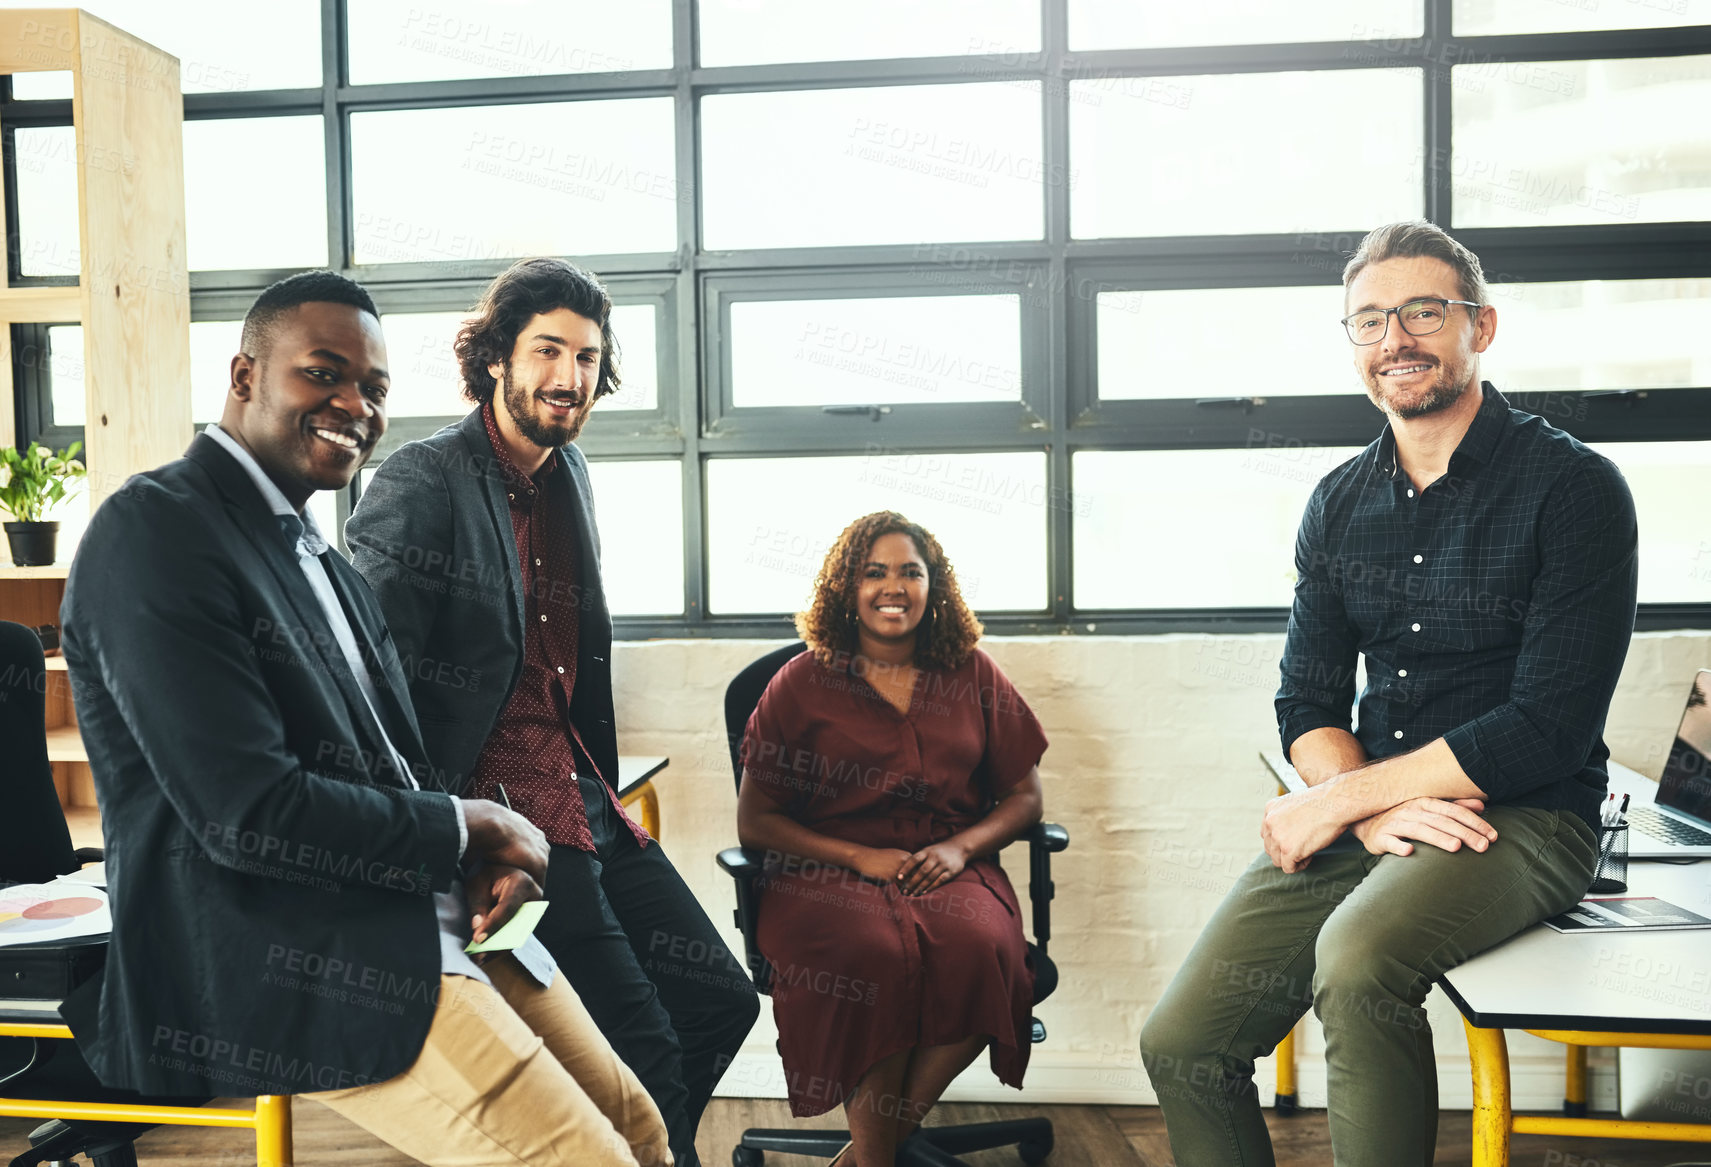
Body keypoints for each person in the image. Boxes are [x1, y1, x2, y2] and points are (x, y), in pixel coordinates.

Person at [60, 270, 670, 1167]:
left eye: (374, 388)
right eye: (323, 373)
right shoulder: (155, 534)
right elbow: (247, 814)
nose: (354, 403)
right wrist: (469, 823)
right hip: (301, 945)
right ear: (244, 377)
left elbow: (390, 764)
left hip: (428, 908)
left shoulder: (321, 560)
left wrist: (474, 858)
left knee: (641, 1127)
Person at [1138, 221, 1639, 1165]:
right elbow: (1307, 701)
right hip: (1374, 806)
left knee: (1359, 959)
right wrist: (1364, 810)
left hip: (1526, 815)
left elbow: (1546, 727)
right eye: (1367, 322)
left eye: (1419, 312)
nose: (1393, 340)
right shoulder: (1336, 501)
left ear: (1479, 327)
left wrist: (1343, 800)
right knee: (1184, 1042)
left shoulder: (1573, 489)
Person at [347, 256, 756, 1167]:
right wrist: (444, 835)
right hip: (502, 814)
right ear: (496, 358)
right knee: (643, 1042)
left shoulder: (568, 475)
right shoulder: (424, 481)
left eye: (585, 356)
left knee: (718, 999)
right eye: (546, 350)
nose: (567, 375)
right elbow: (369, 680)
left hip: (581, 792)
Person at [737, 511, 1048, 1167]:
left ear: (935, 586)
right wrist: (859, 857)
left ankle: (864, 1157)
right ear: (846, 587)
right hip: (823, 873)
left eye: (911, 571)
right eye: (873, 572)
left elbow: (1025, 796)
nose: (893, 586)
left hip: (945, 863)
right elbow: (756, 821)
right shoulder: (800, 682)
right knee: (868, 955)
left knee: (980, 949)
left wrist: (960, 848)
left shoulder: (973, 672)